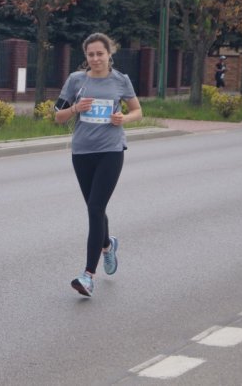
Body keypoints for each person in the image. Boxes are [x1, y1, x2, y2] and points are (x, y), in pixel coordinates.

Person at [54, 32, 143, 297]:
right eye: (91, 54)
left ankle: (88, 276)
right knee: (95, 208)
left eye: (100, 53)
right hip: (82, 152)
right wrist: (75, 109)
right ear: (86, 56)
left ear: (109, 54)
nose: (95, 58)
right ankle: (107, 245)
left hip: (110, 151)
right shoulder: (76, 80)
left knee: (95, 207)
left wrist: (123, 119)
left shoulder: (121, 80)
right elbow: (57, 116)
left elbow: (138, 111)